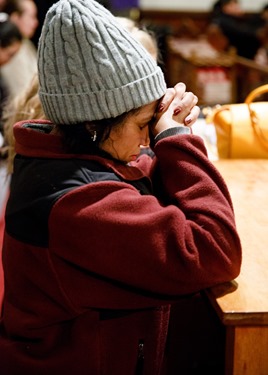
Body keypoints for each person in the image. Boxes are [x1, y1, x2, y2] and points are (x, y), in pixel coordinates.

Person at [0, 1, 242, 375]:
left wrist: (163, 127)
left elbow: (133, 174)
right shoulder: (79, 203)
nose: (147, 140)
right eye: (143, 123)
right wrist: (176, 139)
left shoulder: (62, 157)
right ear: (95, 125)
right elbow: (216, 250)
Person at [0, 0, 38, 101]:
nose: (35, 23)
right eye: (32, 16)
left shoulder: (26, 44)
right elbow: (21, 94)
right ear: (15, 17)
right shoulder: (10, 45)